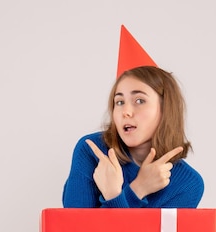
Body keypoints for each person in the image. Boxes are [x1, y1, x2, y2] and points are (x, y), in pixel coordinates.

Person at [62, 26, 204, 208]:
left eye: (139, 100)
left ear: (166, 109)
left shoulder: (187, 185)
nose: (126, 112)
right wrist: (138, 189)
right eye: (119, 102)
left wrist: (119, 195)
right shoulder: (91, 151)